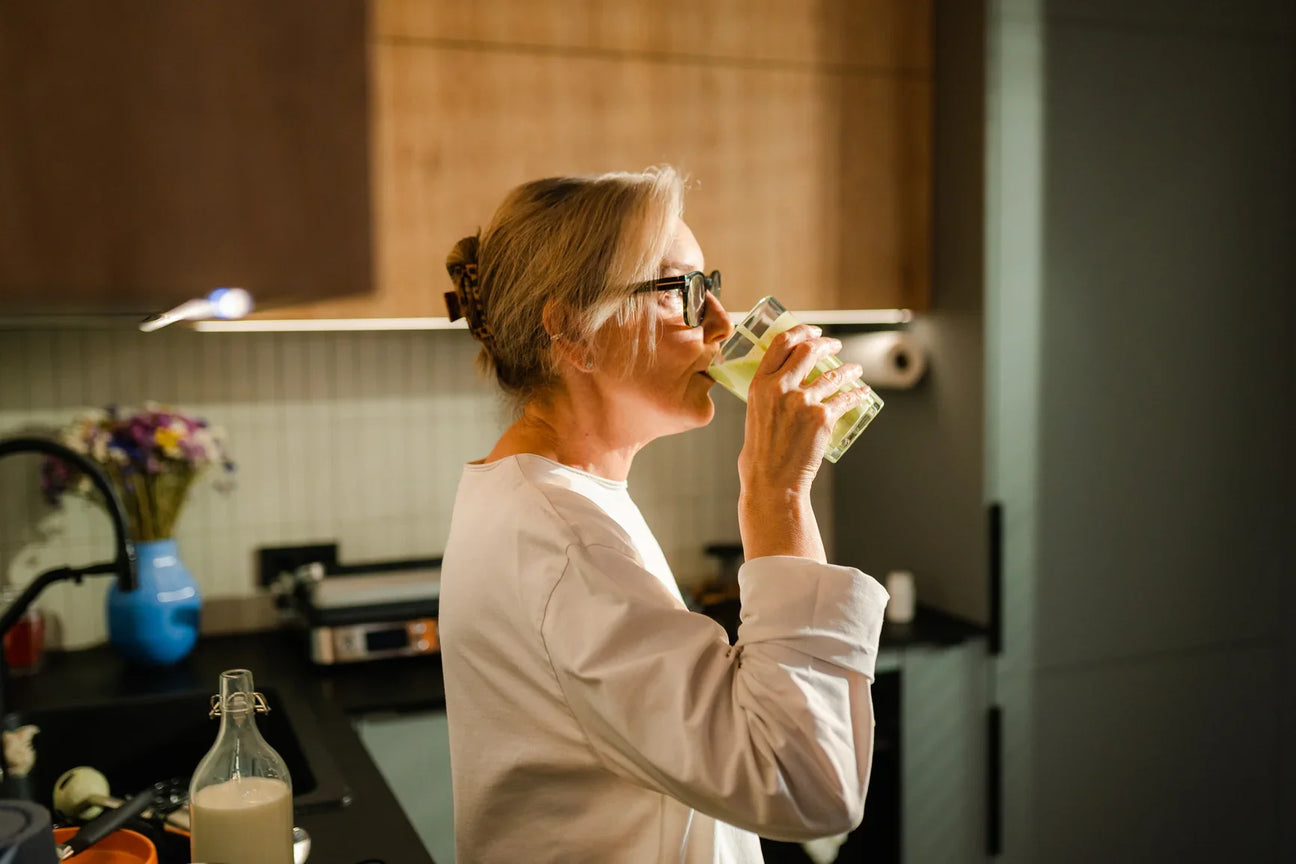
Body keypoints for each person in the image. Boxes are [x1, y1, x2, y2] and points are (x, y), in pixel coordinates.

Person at [438, 166, 889, 863]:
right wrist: (776, 494)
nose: (718, 323)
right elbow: (807, 784)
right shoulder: (568, 544)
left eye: (709, 286)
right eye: (680, 291)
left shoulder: (555, 499)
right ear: (572, 331)